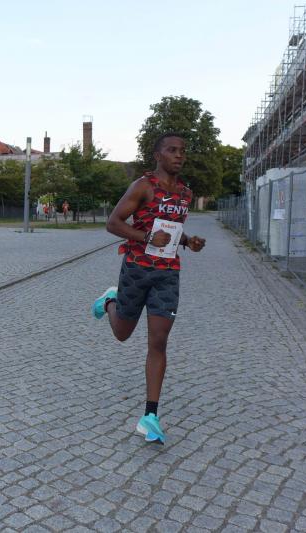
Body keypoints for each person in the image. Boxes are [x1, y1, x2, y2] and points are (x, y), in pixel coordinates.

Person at [91, 133, 205, 444]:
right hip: (137, 268)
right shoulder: (143, 186)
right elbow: (113, 223)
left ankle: (150, 417)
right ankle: (110, 300)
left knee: (158, 341)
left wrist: (188, 241)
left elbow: (172, 230)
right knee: (122, 333)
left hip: (167, 273)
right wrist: (145, 238)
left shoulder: (185, 194)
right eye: (172, 150)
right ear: (157, 155)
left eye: (182, 151)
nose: (179, 155)